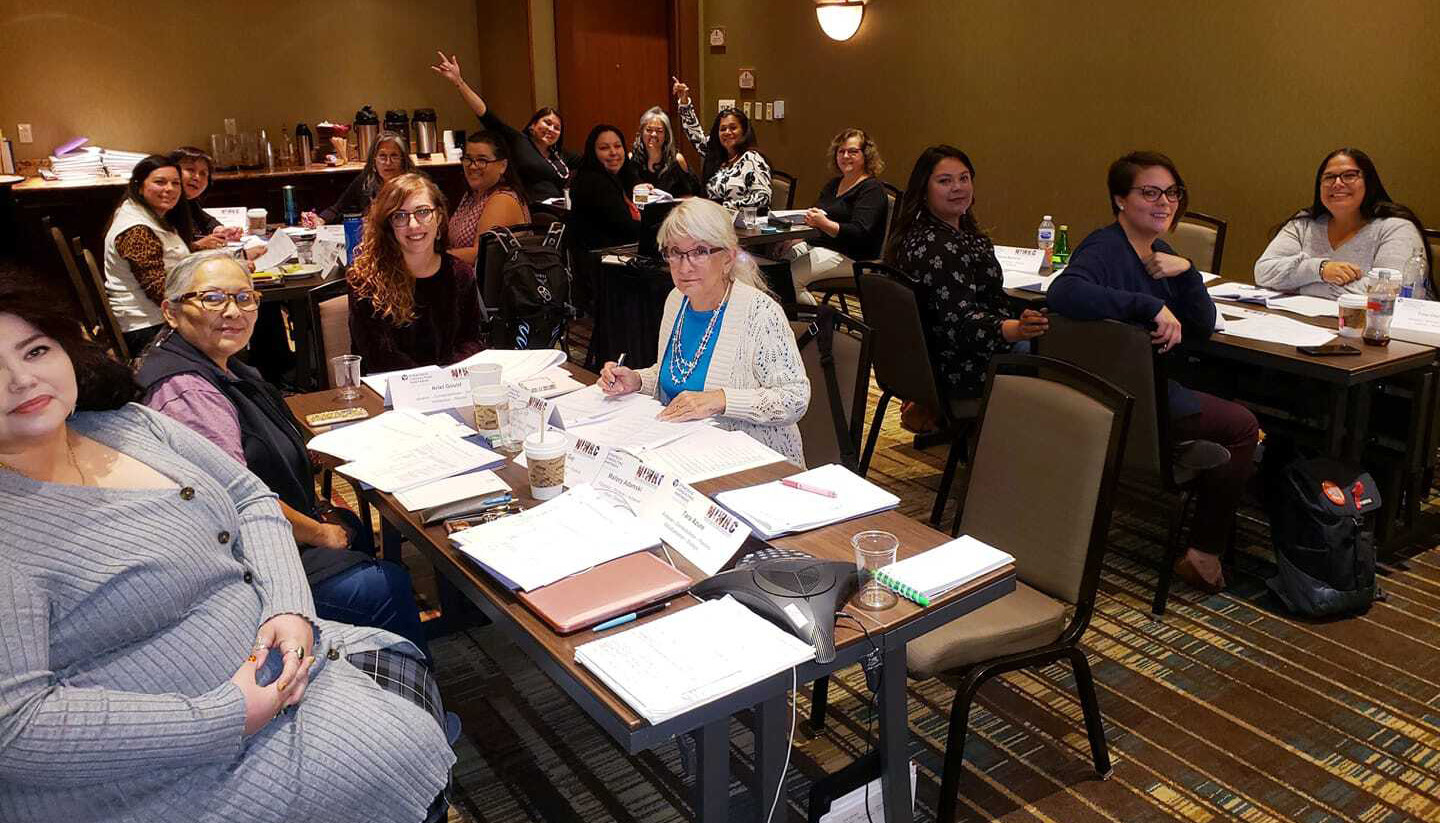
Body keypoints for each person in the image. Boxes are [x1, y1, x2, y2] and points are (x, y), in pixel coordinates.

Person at [0, 274, 453, 823]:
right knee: (389, 741)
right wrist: (225, 715)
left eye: (36, 350)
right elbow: (15, 728)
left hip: (274, 663)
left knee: (402, 687)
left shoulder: (123, 422)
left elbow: (248, 497)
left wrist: (289, 604)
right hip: (161, 769)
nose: (21, 380)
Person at [134, 251, 430, 659]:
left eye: (243, 298)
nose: (233, 311)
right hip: (237, 564)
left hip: (259, 533)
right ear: (170, 311)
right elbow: (236, 504)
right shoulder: (189, 394)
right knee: (382, 583)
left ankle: (360, 652)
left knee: (354, 529)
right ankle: (405, 697)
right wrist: (319, 532)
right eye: (213, 298)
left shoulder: (212, 362)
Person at [1048, 150, 1258, 593]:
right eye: (1149, 192)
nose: (1164, 202)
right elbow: (1064, 292)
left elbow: (1201, 325)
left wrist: (1187, 273)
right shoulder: (1106, 248)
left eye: (1172, 193)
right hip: (1134, 395)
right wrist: (1148, 303)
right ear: (1120, 200)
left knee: (1238, 393)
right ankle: (1204, 550)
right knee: (1243, 426)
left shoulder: (1162, 251)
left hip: (1144, 386)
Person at [599, 198, 809, 464]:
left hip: (754, 464)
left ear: (728, 257)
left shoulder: (760, 312)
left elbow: (794, 398)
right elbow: (678, 374)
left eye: (699, 251)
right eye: (675, 252)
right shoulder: (677, 300)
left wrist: (720, 399)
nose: (684, 267)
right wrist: (638, 381)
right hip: (686, 452)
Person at [887, 145, 1048, 427]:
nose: (958, 188)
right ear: (924, 189)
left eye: (964, 178)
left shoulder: (931, 233)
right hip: (962, 366)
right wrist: (1014, 329)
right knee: (1056, 352)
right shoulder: (940, 246)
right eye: (944, 181)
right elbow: (960, 324)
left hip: (929, 362)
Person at [348, 173, 483, 373]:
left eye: (422, 212)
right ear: (388, 225)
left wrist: (447, 377)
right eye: (400, 216)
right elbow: (378, 356)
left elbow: (471, 341)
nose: (413, 225)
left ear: (438, 217)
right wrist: (429, 380)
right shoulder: (365, 280)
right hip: (389, 391)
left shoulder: (461, 274)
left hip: (452, 386)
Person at [1254, 148, 1429, 297]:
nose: (1337, 183)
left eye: (1349, 175)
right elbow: (1264, 272)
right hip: (1309, 324)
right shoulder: (1304, 223)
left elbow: (1392, 292)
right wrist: (1321, 269)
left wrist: (1305, 286)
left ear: (1368, 182)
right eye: (1329, 177)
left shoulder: (1396, 227)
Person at [433, 51, 572, 200]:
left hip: (560, 210)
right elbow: (485, 115)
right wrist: (459, 82)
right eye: (547, 123)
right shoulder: (518, 141)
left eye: (557, 128)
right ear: (532, 126)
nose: (551, 129)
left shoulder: (560, 156)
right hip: (530, 210)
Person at [102, 154, 194, 353]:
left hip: (153, 318)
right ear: (139, 186)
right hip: (146, 328)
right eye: (160, 182)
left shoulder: (137, 211)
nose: (169, 189)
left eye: (175, 183)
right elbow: (158, 290)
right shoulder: (137, 231)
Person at [791, 128, 891, 303]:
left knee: (791, 275)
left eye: (853, 151)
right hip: (821, 247)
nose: (845, 156)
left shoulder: (872, 189)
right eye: (841, 151)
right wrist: (796, 238)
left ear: (866, 155)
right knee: (779, 266)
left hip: (853, 257)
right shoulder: (834, 184)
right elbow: (815, 216)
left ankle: (814, 323)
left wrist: (825, 224)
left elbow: (860, 232)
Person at [671, 77, 771, 210]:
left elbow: (762, 198)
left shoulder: (752, 159)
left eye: (733, 128)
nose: (727, 132)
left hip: (745, 224)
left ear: (744, 131)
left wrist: (723, 208)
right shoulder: (719, 156)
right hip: (716, 221)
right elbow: (697, 138)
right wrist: (684, 103)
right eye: (723, 129)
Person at [446, 130, 531, 276]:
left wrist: (436, 259)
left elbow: (480, 253)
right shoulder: (472, 194)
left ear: (502, 165)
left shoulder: (503, 199)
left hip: (491, 292)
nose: (473, 166)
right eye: (468, 159)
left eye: (482, 160)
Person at [301, 131, 418, 228]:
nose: (388, 162)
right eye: (382, 156)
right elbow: (338, 209)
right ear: (374, 160)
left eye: (394, 156)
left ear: (403, 160)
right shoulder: (366, 180)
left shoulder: (416, 185)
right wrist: (320, 220)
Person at [569, 124, 643, 255]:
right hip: (601, 261)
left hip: (620, 252)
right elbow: (625, 228)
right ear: (593, 152)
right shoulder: (593, 181)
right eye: (604, 148)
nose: (613, 152)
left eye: (618, 146)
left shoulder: (620, 177)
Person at [169, 146, 243, 250]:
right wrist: (196, 246)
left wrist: (220, 230)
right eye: (190, 170)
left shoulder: (189, 201)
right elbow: (167, 254)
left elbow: (207, 221)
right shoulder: (165, 205)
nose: (197, 177)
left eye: (203, 173)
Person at [629, 106, 698, 198]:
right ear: (641, 132)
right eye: (649, 130)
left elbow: (691, 194)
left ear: (666, 135)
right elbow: (627, 196)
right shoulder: (631, 160)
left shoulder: (677, 160)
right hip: (642, 211)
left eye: (659, 131)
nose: (653, 134)